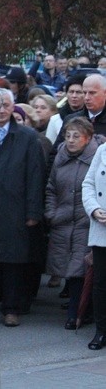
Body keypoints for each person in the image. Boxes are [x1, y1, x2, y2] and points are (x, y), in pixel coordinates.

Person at [0, 89, 45, 326]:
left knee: (14, 261)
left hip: (16, 208)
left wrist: (34, 212)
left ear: (13, 106)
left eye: (6, 105)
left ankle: (12, 308)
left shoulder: (27, 137)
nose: (2, 110)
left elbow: (36, 176)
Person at [45, 117, 96, 330]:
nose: (71, 140)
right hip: (63, 220)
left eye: (77, 136)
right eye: (68, 136)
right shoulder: (61, 157)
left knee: (80, 269)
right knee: (69, 268)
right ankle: (77, 310)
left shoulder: (97, 157)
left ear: (88, 138)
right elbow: (51, 188)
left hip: (86, 221)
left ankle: (77, 313)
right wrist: (51, 212)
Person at [82, 134, 106, 350]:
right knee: (100, 283)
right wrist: (94, 209)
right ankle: (101, 330)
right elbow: (88, 184)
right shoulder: (102, 150)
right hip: (102, 228)